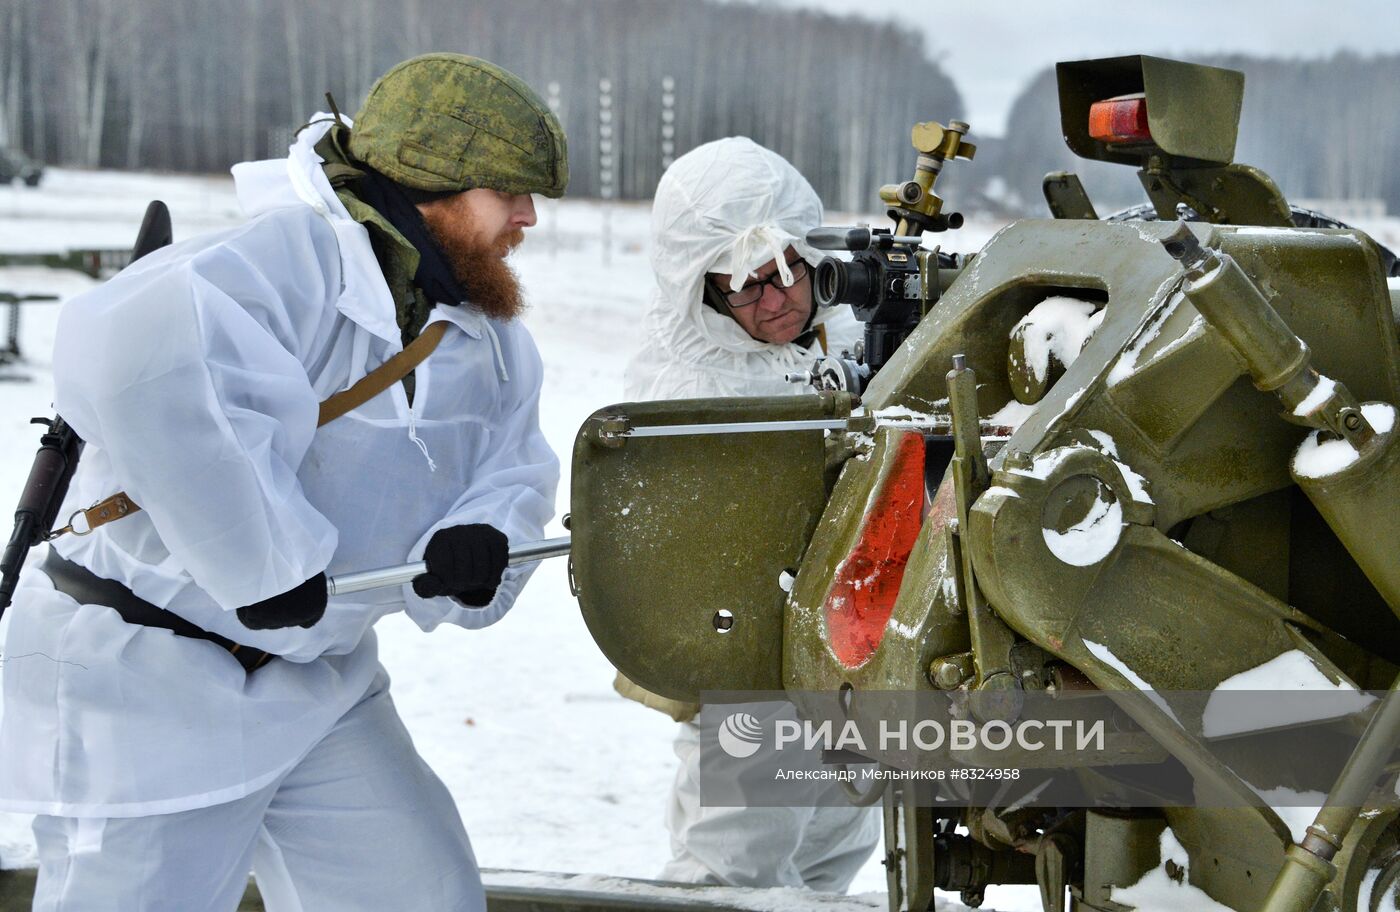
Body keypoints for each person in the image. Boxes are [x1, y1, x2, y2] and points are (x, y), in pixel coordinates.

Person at [0, 53, 565, 911]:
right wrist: (263, 563)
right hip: (147, 684)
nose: (528, 216)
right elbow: (126, 357)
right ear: (432, 183)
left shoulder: (487, 335)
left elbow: (514, 463)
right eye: (509, 192)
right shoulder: (279, 260)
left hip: (319, 688)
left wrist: (482, 537)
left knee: (421, 894)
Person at [621, 137, 881, 891]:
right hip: (752, 655)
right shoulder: (687, 388)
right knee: (733, 862)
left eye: (785, 272)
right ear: (701, 291)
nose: (775, 302)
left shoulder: (830, 332)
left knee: (833, 846)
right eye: (744, 288)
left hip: (837, 643)